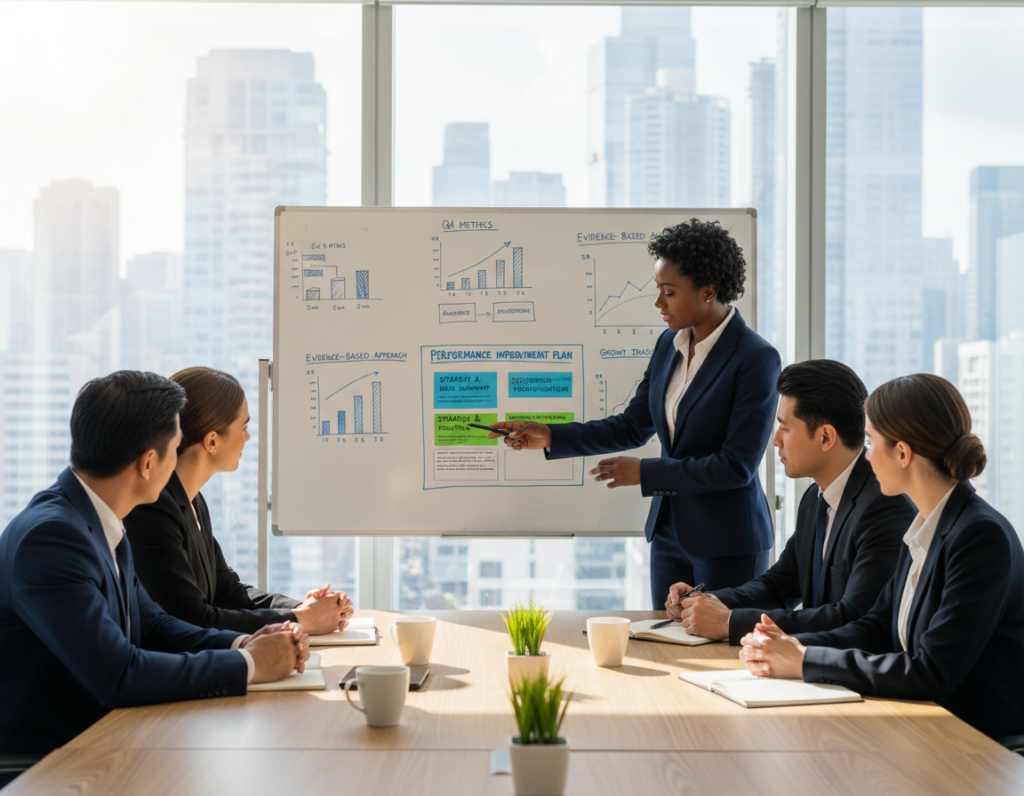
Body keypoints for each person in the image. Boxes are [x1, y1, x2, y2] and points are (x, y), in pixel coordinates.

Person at [0, 371, 309, 770]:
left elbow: (156, 625)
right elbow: (119, 673)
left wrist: (243, 645)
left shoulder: (97, 517)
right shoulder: (52, 538)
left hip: (106, 737)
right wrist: (249, 666)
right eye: (176, 447)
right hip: (48, 760)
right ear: (149, 462)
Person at [493, 219, 781, 607]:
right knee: (663, 643)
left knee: (718, 657)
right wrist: (550, 434)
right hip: (668, 535)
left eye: (668, 292)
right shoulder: (669, 344)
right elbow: (632, 425)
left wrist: (644, 473)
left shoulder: (756, 358)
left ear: (709, 291)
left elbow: (736, 466)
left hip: (727, 542)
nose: (658, 303)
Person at [739, 374, 1024, 741]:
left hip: (976, 742)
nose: (866, 454)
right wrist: (794, 647)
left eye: (871, 442)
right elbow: (876, 626)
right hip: (923, 726)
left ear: (903, 453)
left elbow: (930, 672)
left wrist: (805, 660)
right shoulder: (926, 524)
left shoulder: (980, 537)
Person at [664, 360, 915, 644]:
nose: (775, 440)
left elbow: (854, 617)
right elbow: (779, 586)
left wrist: (731, 623)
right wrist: (704, 601)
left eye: (785, 427)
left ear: (825, 437)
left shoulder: (885, 505)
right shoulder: (814, 498)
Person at [124, 366, 353, 635]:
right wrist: (301, 619)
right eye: (243, 427)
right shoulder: (153, 508)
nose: (247, 437)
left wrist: (306, 608)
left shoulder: (192, 499)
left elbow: (227, 591)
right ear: (211, 441)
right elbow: (193, 618)